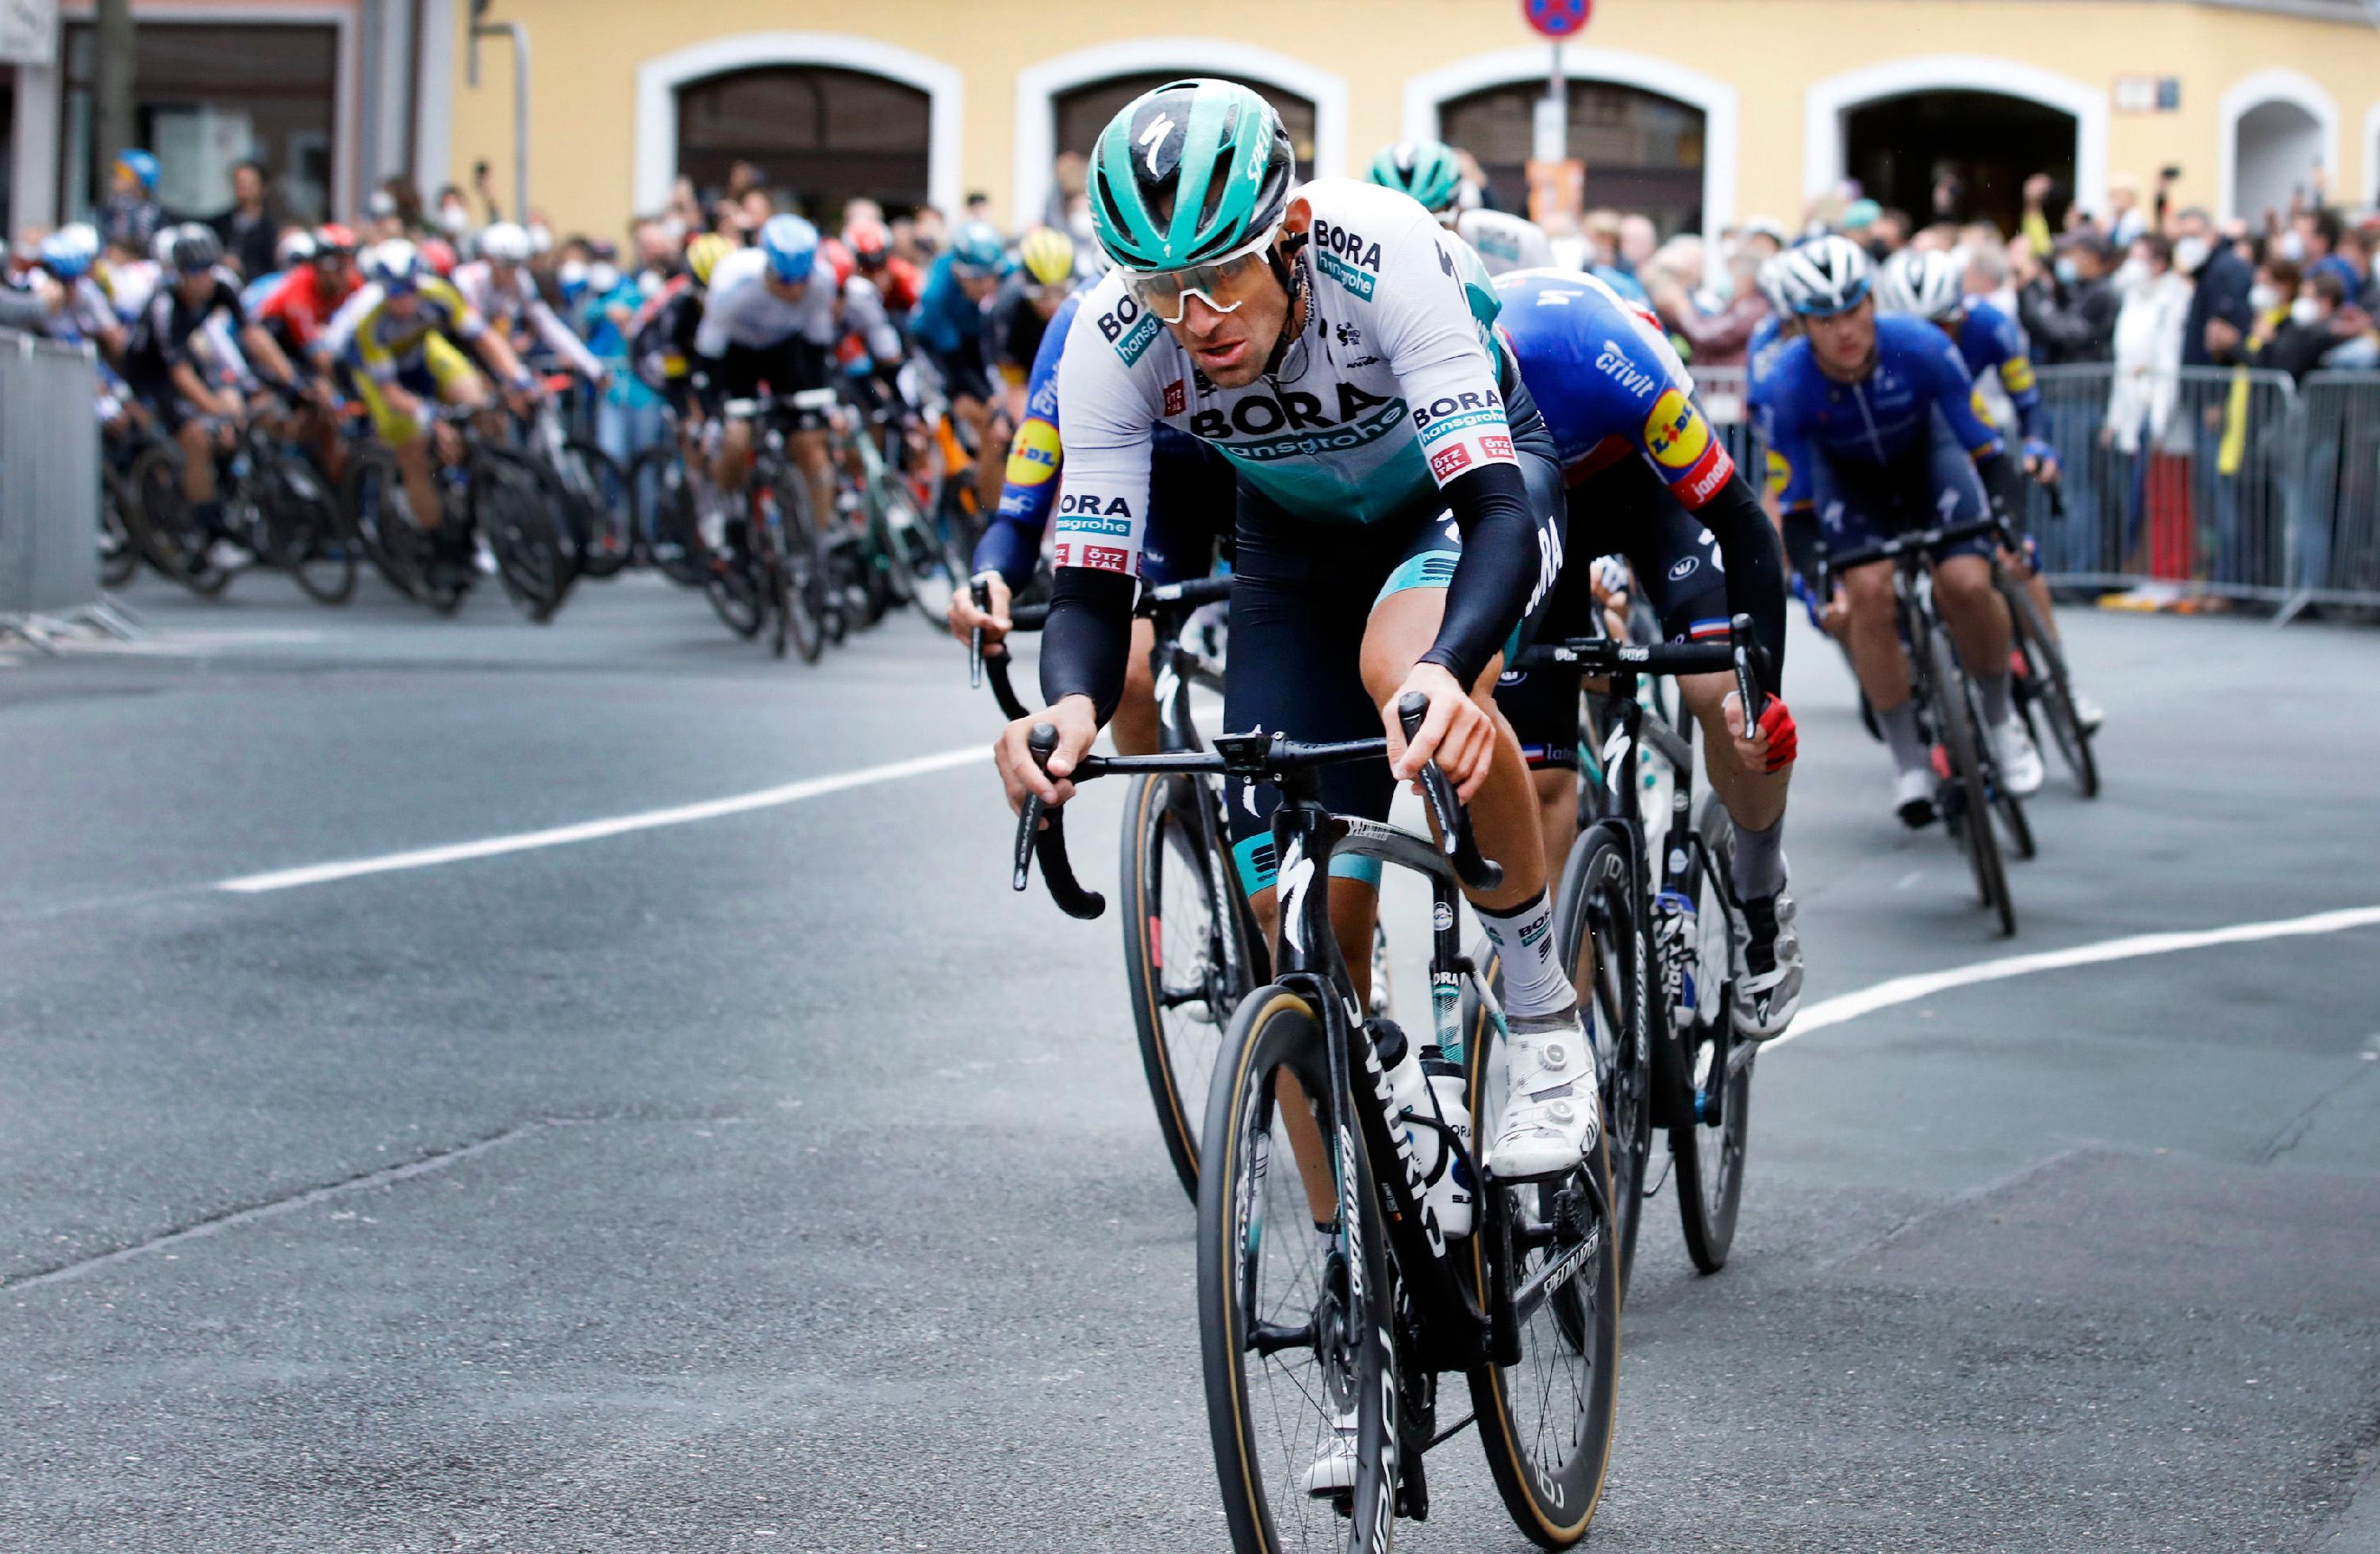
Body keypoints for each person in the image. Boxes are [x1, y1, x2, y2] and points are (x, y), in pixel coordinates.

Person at [992, 81, 1595, 1270]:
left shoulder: (1390, 258)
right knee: (1292, 912)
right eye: (1163, 288)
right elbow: (1093, 576)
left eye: (1221, 276)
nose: (1195, 316)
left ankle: (1541, 1013)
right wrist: (1064, 705)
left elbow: (1491, 508)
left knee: (1408, 677)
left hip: (1467, 497)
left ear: (1294, 235)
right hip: (1293, 542)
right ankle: (1365, 1229)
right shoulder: (1116, 335)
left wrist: (1449, 668)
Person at [1492, 267, 1803, 1037]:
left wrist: (1762, 690)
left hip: (1646, 489)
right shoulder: (1416, 386)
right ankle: (1566, 1056)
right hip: (1533, 516)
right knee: (1538, 786)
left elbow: (1740, 520)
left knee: (1723, 704)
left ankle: (1759, 895)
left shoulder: (1589, 350)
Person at [1764, 235, 2046, 823]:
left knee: (1967, 582)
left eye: (1854, 308)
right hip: (1850, 482)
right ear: (1801, 326)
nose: (1845, 329)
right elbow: (1796, 508)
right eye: (1825, 317)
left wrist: (2010, 530)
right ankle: (1909, 761)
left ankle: (2000, 719)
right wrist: (1821, 584)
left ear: (1872, 302)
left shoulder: (1920, 346)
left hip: (1928, 462)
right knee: (1867, 594)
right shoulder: (1784, 385)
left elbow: (1989, 452)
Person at [946, 282, 1235, 758]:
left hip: (1267, 480)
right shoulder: (1083, 323)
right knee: (1133, 673)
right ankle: (1175, 808)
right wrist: (991, 575)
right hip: (1159, 492)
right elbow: (1023, 504)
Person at [1875, 246, 2102, 730]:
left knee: (2011, 547)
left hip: (1968, 431)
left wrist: (2039, 445)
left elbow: (2027, 399)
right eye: (1916, 329)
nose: (1931, 341)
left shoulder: (1992, 326)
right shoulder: (1876, 345)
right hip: (1911, 442)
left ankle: (2062, 679)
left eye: (1943, 327)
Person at [693, 214, 899, 559]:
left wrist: (826, 406)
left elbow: (818, 352)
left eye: (800, 281)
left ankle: (820, 541)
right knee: (736, 438)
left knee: (812, 442)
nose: (794, 291)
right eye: (784, 282)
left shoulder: (821, 281)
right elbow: (708, 357)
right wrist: (714, 412)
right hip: (736, 355)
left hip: (787, 352)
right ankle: (729, 514)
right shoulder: (734, 283)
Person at [321, 238, 535, 558]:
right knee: (414, 447)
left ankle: (479, 469)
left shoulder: (438, 294)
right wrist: (430, 417)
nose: (406, 301)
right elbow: (391, 391)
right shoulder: (369, 322)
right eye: (396, 294)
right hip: (382, 377)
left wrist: (517, 378)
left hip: (423, 353)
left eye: (410, 290)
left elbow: (484, 338)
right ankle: (438, 540)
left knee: (476, 398)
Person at [121, 224, 307, 563]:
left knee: (244, 411)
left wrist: (292, 380)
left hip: (192, 360)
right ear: (178, 275)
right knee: (196, 436)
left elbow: (254, 336)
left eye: (208, 269)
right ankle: (208, 531)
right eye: (194, 273)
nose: (203, 280)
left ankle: (228, 482)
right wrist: (216, 411)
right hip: (152, 374)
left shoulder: (222, 286)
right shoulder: (164, 304)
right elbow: (178, 373)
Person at [908, 218, 1008, 513]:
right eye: (977, 279)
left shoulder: (1007, 276)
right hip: (937, 351)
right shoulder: (936, 296)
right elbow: (956, 366)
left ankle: (987, 483)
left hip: (974, 339)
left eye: (992, 277)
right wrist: (991, 399)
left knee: (998, 413)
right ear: (957, 272)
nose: (988, 285)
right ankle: (937, 483)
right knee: (975, 411)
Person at [453, 221, 607, 390]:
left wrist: (593, 368)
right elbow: (480, 334)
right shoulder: (467, 280)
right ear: (488, 260)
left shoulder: (520, 279)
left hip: (491, 350)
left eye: (517, 264)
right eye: (506, 266)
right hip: (460, 344)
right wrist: (521, 377)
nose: (512, 272)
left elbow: (548, 325)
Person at [1364, 140, 1554, 275]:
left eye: (1437, 222)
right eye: (1398, 227)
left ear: (1460, 207)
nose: (1417, 238)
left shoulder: (1517, 241)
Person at [984, 225, 1082, 429]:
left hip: (1073, 372)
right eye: (1042, 295)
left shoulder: (1088, 297)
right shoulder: (1008, 306)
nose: (1053, 304)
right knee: (1002, 429)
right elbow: (1014, 385)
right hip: (1025, 369)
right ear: (1025, 286)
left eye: (1061, 292)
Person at [2017, 232, 2120, 365]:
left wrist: (2033, 289)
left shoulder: (2103, 294)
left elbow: (2065, 333)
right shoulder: (2078, 286)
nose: (2068, 260)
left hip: (2085, 377)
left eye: (2073, 255)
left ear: (2092, 258)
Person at [210, 160, 278, 280]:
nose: (243, 189)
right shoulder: (219, 224)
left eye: (249, 184)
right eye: (239, 183)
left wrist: (243, 269)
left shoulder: (272, 230)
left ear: (263, 187)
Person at [100, 150, 168, 257]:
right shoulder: (112, 205)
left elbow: (142, 249)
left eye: (124, 174)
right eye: (115, 172)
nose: (116, 177)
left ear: (140, 181)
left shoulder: (148, 213)